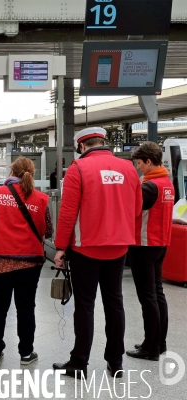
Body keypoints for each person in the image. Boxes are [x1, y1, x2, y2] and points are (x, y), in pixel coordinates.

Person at [52, 127, 142, 379]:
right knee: (115, 303)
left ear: (82, 146)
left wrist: (60, 247)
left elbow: (68, 212)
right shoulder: (128, 169)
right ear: (103, 142)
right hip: (119, 247)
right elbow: (136, 209)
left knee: (85, 306)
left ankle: (79, 362)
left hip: (86, 248)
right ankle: (115, 361)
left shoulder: (77, 170)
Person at [0, 157, 52, 366]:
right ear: (32, 173)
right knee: (26, 307)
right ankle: (26, 353)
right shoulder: (41, 199)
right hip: (28, 261)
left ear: (12, 172)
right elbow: (48, 230)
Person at [127, 142, 173, 361]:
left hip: (144, 245)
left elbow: (130, 210)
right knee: (157, 293)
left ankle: (150, 348)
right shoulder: (167, 184)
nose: (138, 168)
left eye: (139, 163)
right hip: (161, 243)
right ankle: (159, 342)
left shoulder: (149, 186)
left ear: (148, 160)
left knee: (148, 297)